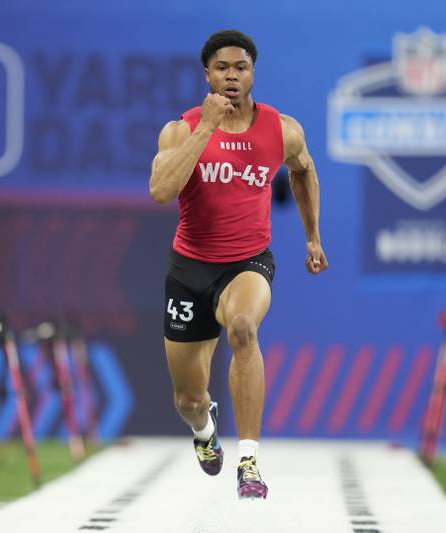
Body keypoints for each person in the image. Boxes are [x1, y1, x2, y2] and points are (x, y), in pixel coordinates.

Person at [148, 29, 328, 499]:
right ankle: (205, 432)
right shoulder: (181, 129)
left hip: (248, 262)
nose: (231, 75)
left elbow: (304, 169)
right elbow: (162, 191)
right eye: (222, 68)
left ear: (252, 74)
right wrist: (206, 128)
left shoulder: (281, 129)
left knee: (244, 326)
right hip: (189, 269)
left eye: (240, 68)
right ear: (207, 74)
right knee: (188, 399)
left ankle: (248, 462)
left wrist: (312, 237)